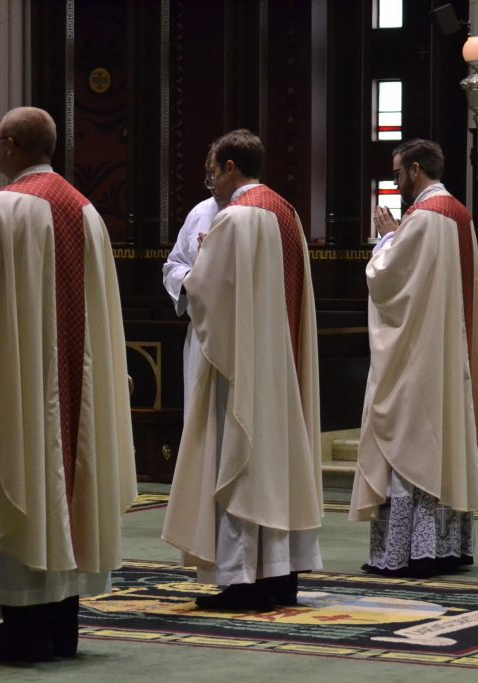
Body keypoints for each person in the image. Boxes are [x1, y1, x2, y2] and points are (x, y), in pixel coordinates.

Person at [0, 106, 136, 664]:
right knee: (67, 492)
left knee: (18, 483)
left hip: (18, 386)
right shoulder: (88, 211)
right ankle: (61, 627)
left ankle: (22, 632)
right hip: (77, 391)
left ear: (10, 146)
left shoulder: (0, 209)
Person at [162, 129, 322, 611]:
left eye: (213, 172)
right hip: (282, 366)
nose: (210, 183)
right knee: (279, 464)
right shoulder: (287, 212)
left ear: (231, 166)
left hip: (243, 368)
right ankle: (280, 574)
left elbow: (210, 293)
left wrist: (193, 275)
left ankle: (243, 579)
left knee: (241, 461)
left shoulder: (235, 217)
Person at [350, 138, 478, 577]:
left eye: (396, 174)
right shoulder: (459, 214)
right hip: (448, 350)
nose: (395, 182)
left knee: (408, 438)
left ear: (414, 170)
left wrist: (388, 239)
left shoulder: (424, 218)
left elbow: (388, 281)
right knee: (441, 436)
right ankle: (446, 547)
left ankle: (409, 551)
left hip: (417, 354)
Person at [163, 167, 226, 411]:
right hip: (201, 331)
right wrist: (192, 278)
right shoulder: (200, 212)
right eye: (208, 175)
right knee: (199, 413)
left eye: (215, 174)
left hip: (235, 328)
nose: (211, 184)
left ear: (230, 171)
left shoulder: (250, 214)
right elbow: (173, 265)